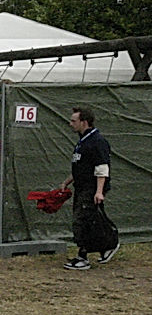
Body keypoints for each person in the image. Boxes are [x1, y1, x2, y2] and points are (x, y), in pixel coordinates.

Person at [59, 106, 119, 270]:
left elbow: (102, 167)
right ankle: (106, 246)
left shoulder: (97, 141)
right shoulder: (83, 141)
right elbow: (82, 166)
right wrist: (66, 182)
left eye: (74, 121)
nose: (70, 124)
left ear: (84, 122)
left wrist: (99, 191)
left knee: (83, 220)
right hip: (81, 187)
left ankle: (84, 256)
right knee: (91, 220)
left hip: (91, 188)